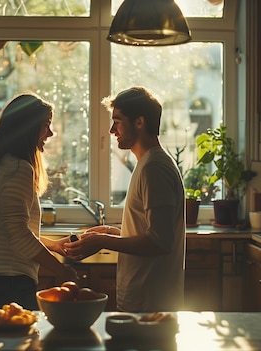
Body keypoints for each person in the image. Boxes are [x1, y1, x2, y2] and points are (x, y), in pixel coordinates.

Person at [63, 87, 186, 312]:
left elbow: (160, 241)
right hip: (145, 297)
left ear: (139, 122)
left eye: (117, 121)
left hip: (150, 301)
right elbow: (149, 233)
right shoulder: (147, 163)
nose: (112, 130)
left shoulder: (154, 168)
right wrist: (112, 232)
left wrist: (102, 242)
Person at [0, 93, 78, 311]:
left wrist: (53, 245)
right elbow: (18, 234)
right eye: (46, 125)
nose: (50, 133)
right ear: (28, 128)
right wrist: (61, 271)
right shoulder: (19, 169)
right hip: (12, 288)